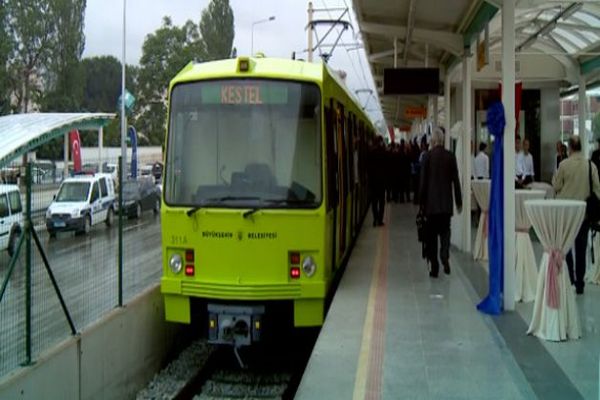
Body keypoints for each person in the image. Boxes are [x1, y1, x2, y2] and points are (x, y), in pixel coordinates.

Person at [553, 135, 600, 294]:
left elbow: (556, 185)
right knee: (581, 248)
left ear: (570, 148)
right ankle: (580, 283)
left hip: (566, 213)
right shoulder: (590, 165)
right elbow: (597, 190)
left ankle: (570, 278)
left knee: (565, 247)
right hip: (584, 214)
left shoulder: (564, 165)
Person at [419, 128, 462, 277]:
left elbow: (423, 182)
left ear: (433, 141)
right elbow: (456, 181)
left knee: (431, 237)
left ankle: (435, 267)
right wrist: (459, 201)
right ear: (442, 141)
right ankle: (444, 254)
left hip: (431, 206)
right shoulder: (450, 157)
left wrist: (421, 202)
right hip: (446, 205)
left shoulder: (427, 157)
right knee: (445, 231)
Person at [368, 136, 386, 227]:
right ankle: (380, 220)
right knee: (381, 202)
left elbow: (368, 168)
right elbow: (386, 167)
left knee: (374, 202)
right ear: (380, 142)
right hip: (381, 182)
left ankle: (375, 219)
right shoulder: (383, 152)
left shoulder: (370, 152)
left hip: (373, 182)